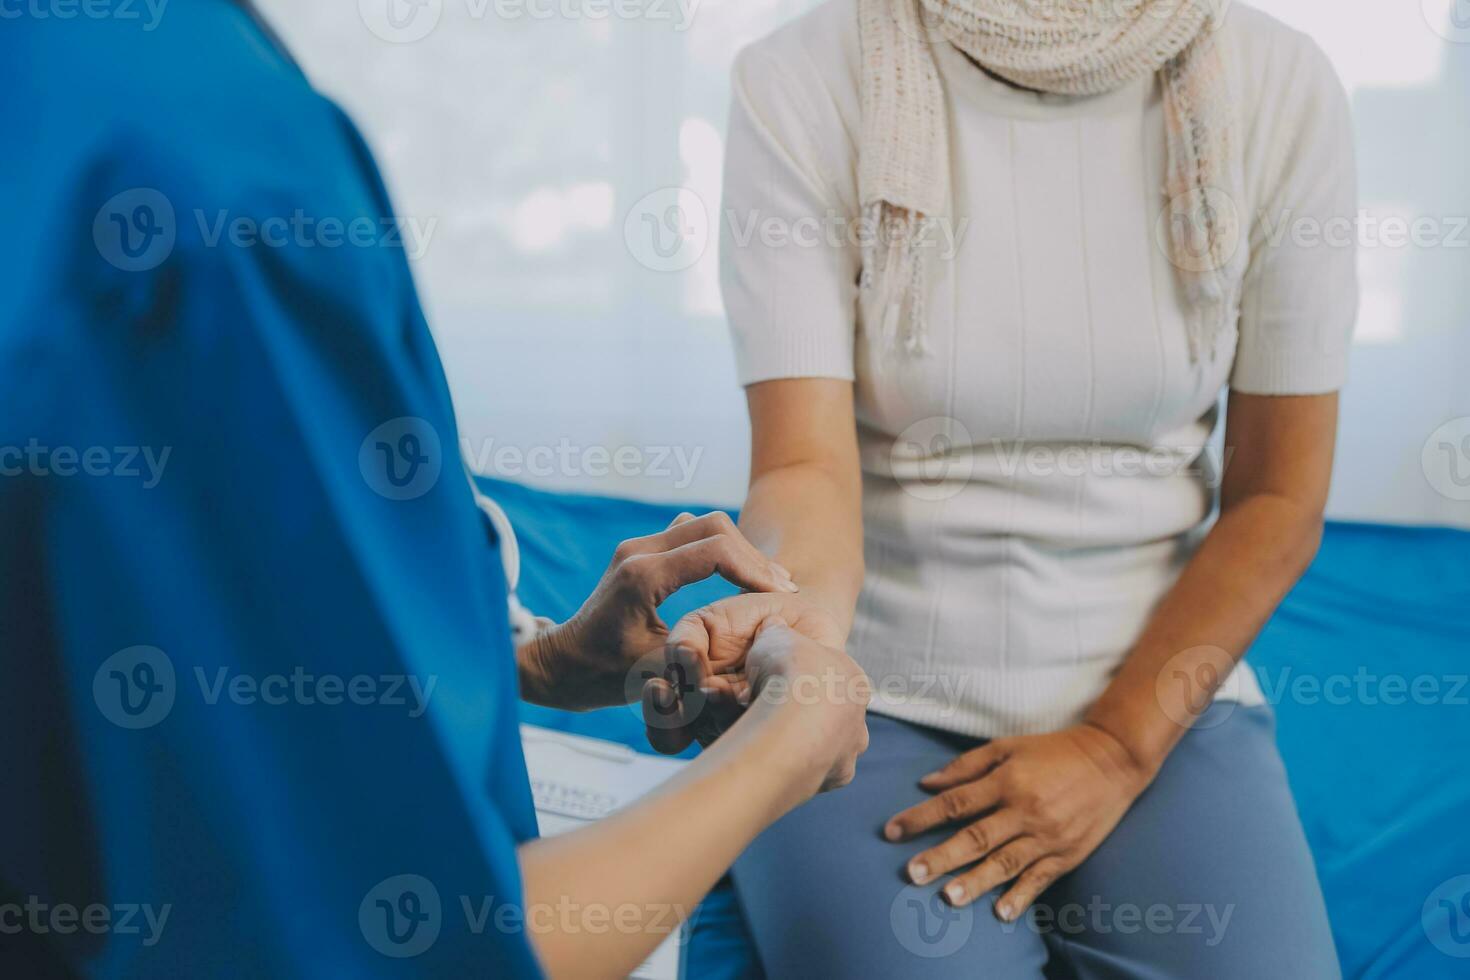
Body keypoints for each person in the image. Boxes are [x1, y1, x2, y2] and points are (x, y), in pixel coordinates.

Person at [0, 2, 868, 977]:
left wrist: (534, 661)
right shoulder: (220, 180)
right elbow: (431, 942)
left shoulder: (71, 80)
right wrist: (784, 745)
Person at [716, 0, 1353, 976]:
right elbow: (804, 468)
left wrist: (1114, 746)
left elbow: (1278, 497)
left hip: (1158, 689)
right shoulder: (801, 74)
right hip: (875, 677)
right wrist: (805, 667)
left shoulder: (1282, 83)